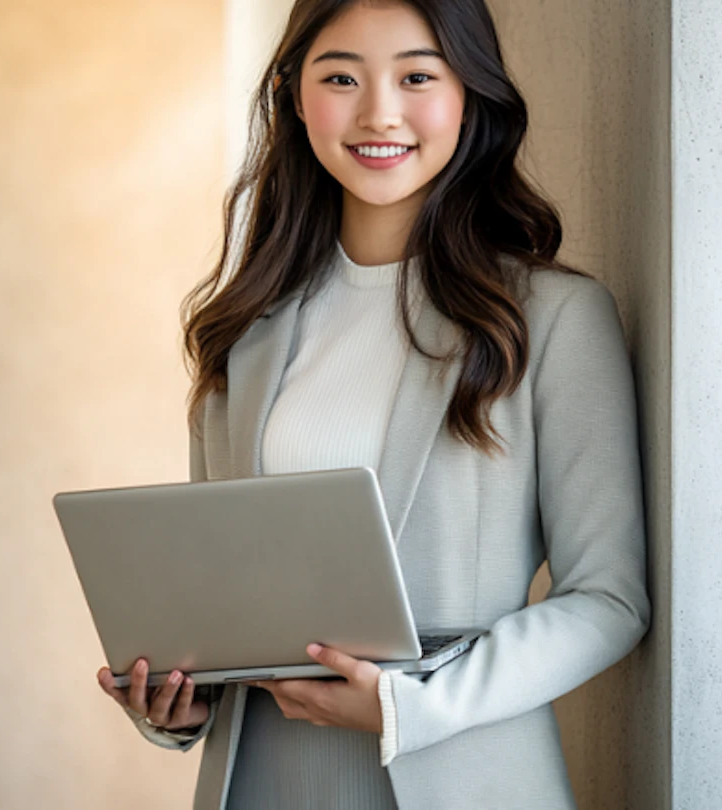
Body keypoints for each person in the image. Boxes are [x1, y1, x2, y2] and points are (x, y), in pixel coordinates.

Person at [95, 0, 649, 807]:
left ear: (470, 94)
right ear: (292, 94)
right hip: (265, 780)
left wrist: (411, 705)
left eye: (417, 76)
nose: (378, 112)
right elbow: (223, 593)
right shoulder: (242, 333)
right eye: (341, 77)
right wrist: (178, 699)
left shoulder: (552, 316)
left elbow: (608, 600)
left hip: (463, 776)